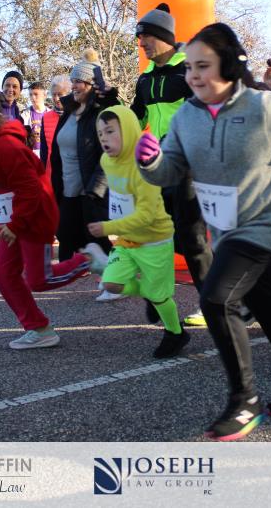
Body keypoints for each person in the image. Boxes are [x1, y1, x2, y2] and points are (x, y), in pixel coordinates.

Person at [137, 22, 271, 441]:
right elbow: (170, 171)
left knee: (216, 299)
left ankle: (244, 400)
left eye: (203, 66)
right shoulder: (186, 117)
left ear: (229, 65)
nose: (193, 76)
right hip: (225, 230)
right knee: (268, 308)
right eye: (190, 68)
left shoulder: (263, 107)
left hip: (266, 224)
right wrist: (150, 162)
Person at [0, 83, 95, 350]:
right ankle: (39, 328)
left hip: (34, 217)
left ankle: (89, 260)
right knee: (3, 273)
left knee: (39, 280)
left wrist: (15, 224)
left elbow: (31, 190)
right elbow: (5, 190)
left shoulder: (6, 146)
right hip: (15, 221)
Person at [130, 3, 212, 327]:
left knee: (192, 240)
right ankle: (159, 298)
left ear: (164, 37)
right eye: (140, 38)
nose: (142, 44)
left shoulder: (188, 70)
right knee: (163, 235)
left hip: (191, 164)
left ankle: (213, 304)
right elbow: (136, 118)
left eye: (146, 37)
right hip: (160, 167)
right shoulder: (145, 78)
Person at [89, 105, 190, 356]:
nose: (104, 138)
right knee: (111, 284)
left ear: (128, 129)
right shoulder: (106, 161)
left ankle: (176, 333)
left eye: (110, 131)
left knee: (160, 297)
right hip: (127, 240)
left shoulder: (144, 167)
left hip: (155, 240)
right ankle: (151, 294)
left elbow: (146, 216)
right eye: (100, 133)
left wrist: (108, 227)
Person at [49, 49, 118, 263]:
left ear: (90, 85)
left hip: (89, 192)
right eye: (72, 81)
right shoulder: (69, 111)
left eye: (78, 81)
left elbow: (108, 153)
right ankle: (70, 278)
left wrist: (95, 190)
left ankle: (118, 274)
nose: (73, 86)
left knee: (96, 242)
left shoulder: (100, 113)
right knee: (67, 237)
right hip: (66, 189)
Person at [24, 81, 57, 175]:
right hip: (31, 156)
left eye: (36, 94)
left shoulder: (52, 114)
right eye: (30, 94)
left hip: (48, 156)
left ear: (44, 95)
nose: (33, 97)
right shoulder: (25, 115)